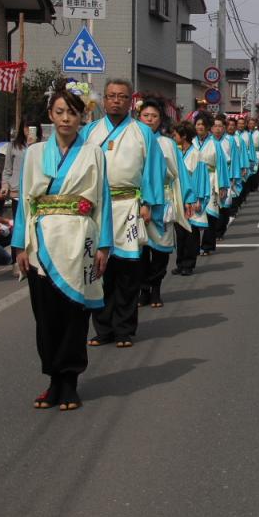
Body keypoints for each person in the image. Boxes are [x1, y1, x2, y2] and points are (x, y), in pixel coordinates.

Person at [13, 79, 112, 411]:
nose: (66, 119)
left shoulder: (93, 153)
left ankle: (69, 381)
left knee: (74, 313)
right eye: (60, 112)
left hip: (79, 237)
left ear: (81, 116)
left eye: (72, 112)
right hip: (41, 239)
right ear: (50, 115)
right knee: (45, 315)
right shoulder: (35, 153)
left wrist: (104, 246)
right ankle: (53, 379)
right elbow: (25, 201)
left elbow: (103, 201)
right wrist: (19, 246)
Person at [81, 79, 166, 349]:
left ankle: (124, 329)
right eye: (111, 96)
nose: (116, 100)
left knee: (128, 272)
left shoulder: (143, 132)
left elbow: (154, 171)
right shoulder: (90, 132)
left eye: (122, 96)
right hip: (96, 207)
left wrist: (148, 203)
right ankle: (102, 328)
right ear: (103, 100)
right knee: (98, 269)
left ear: (131, 101)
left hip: (129, 205)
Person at [138, 99, 195, 308]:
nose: (150, 119)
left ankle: (155, 288)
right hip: (137, 201)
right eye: (146, 115)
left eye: (154, 116)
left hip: (163, 200)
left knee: (161, 248)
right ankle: (143, 288)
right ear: (139, 117)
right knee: (140, 248)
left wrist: (188, 197)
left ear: (160, 119)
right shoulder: (133, 140)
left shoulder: (168, 143)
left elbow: (179, 172)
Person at [172, 121, 209, 276]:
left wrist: (198, 199)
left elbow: (201, 178)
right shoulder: (177, 152)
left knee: (191, 232)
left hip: (191, 198)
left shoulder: (195, 154)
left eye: (175, 135)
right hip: (178, 196)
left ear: (184, 136)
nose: (173, 137)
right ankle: (180, 262)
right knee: (179, 232)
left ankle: (189, 263)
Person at [192, 114, 228, 257]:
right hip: (193, 180)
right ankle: (193, 246)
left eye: (203, 125)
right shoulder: (191, 142)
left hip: (211, 179)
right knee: (192, 213)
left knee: (211, 213)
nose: (200, 127)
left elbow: (221, 164)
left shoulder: (215, 144)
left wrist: (223, 185)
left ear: (208, 128)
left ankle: (207, 245)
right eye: (198, 124)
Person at [1, 121, 39, 205]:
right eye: (26, 127)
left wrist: (33, 147)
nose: (28, 130)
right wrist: (5, 185)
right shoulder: (13, 145)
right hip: (16, 191)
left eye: (32, 127)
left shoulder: (42, 146)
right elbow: (7, 169)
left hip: (35, 191)